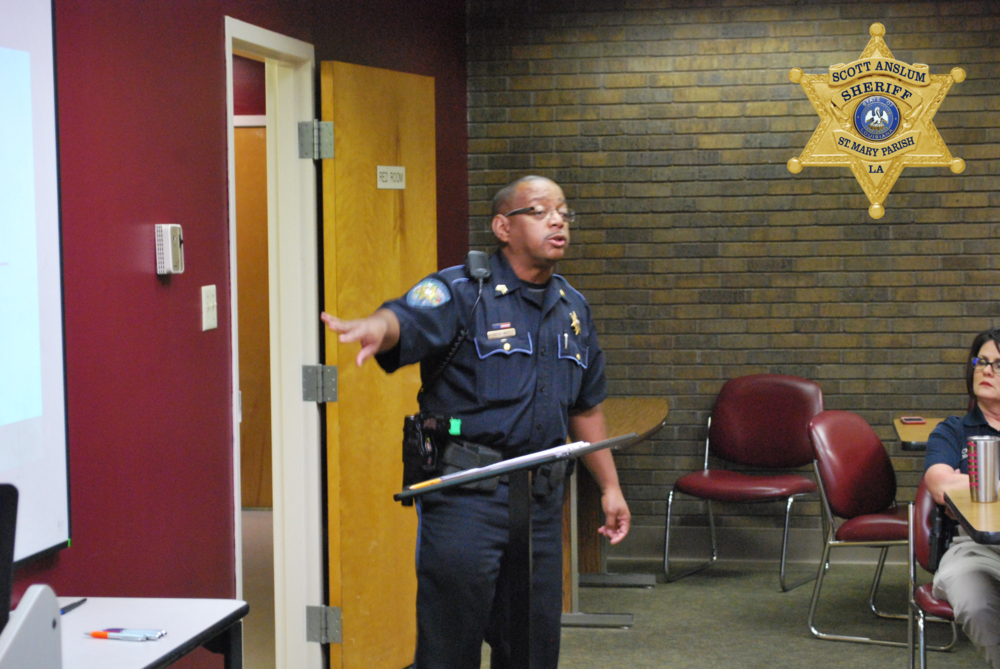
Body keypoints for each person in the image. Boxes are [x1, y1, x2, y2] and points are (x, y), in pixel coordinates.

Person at [321, 175, 630, 669]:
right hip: (467, 498)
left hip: (540, 504)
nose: (557, 221)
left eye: (564, 212)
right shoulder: (462, 291)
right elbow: (406, 317)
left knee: (531, 648)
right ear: (503, 226)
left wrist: (610, 487)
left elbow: (585, 408)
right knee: (450, 647)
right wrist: (377, 327)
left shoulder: (573, 307)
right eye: (541, 211)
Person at [924, 326, 1000, 668]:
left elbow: (959, 485)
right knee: (976, 603)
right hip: (974, 548)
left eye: (999, 364)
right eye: (981, 361)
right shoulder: (953, 430)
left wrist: (971, 481)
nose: (986, 370)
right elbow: (940, 484)